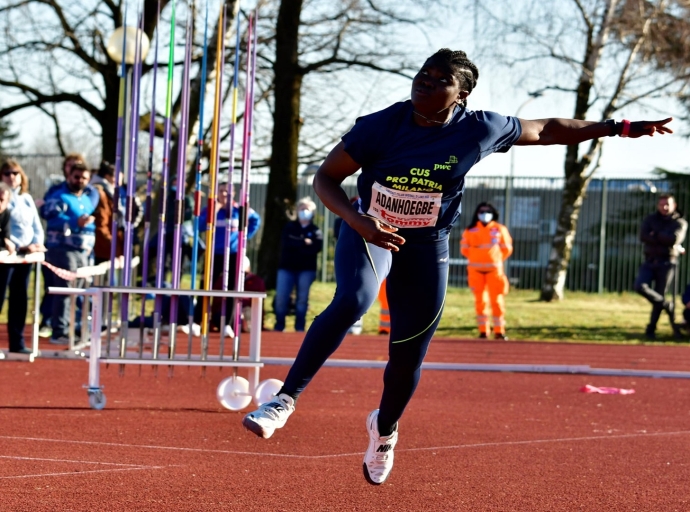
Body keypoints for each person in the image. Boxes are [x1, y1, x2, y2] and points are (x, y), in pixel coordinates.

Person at [241, 48, 673, 485]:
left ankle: (384, 431)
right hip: (368, 229)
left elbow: (546, 130)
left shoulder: (480, 128)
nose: (424, 82)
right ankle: (284, 400)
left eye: (439, 79)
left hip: (427, 243)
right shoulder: (380, 126)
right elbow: (325, 177)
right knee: (354, 299)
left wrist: (616, 128)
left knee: (409, 351)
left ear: (461, 94)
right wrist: (357, 220)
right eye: (422, 73)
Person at [40, 163, 97, 345]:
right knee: (66, 289)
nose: (79, 180)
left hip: (83, 251)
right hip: (62, 249)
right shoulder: (60, 197)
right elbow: (48, 214)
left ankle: (75, 328)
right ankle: (60, 330)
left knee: (79, 291)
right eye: (76, 177)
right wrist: (74, 221)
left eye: (84, 178)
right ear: (69, 177)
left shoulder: (87, 199)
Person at [197, 181, 261, 333]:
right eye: (221, 191)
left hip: (233, 253)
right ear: (217, 193)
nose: (224, 194)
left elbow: (255, 220)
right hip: (214, 253)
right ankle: (199, 321)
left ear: (233, 193)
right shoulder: (211, 210)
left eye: (227, 191)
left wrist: (244, 238)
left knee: (233, 287)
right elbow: (199, 226)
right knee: (205, 286)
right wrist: (215, 210)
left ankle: (228, 324)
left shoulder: (239, 210)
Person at [0, 161, 46, 354]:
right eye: (7, 173)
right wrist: (15, 245)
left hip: (25, 256)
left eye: (15, 173)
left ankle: (17, 343)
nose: (12, 176)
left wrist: (36, 245)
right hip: (6, 255)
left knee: (20, 299)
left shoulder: (26, 199)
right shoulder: (3, 199)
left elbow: (36, 225)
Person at [634, 194, 687, 340]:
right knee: (639, 286)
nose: (664, 207)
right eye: (662, 204)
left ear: (673, 205)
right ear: (658, 206)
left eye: (667, 204)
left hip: (667, 262)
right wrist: (663, 237)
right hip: (650, 261)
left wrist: (655, 234)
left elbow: (674, 239)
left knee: (660, 292)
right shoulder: (650, 219)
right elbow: (643, 236)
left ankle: (651, 329)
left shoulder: (680, 223)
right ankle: (667, 305)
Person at [461, 202, 513, 340]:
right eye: (482, 211)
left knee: (497, 300)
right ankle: (483, 331)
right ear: (477, 213)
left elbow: (506, 249)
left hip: (494, 270)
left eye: (487, 211)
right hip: (475, 270)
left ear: (493, 213)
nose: (484, 214)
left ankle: (499, 331)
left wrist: (495, 259)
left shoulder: (499, 229)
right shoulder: (470, 230)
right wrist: (477, 257)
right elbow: (464, 249)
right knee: (480, 301)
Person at [273, 197, 323, 332]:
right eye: (302, 209)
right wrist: (304, 242)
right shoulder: (289, 227)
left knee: (302, 299)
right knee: (281, 298)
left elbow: (315, 248)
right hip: (286, 268)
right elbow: (287, 243)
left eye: (307, 209)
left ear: (312, 212)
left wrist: (299, 244)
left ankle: (299, 327)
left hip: (306, 269)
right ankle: (279, 326)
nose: (304, 211)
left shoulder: (316, 230)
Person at [91, 161, 143, 265]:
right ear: (108, 176)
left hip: (113, 242)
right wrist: (112, 242)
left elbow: (138, 210)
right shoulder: (101, 192)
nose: (121, 178)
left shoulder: (112, 191)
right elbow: (102, 222)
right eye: (118, 176)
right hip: (105, 246)